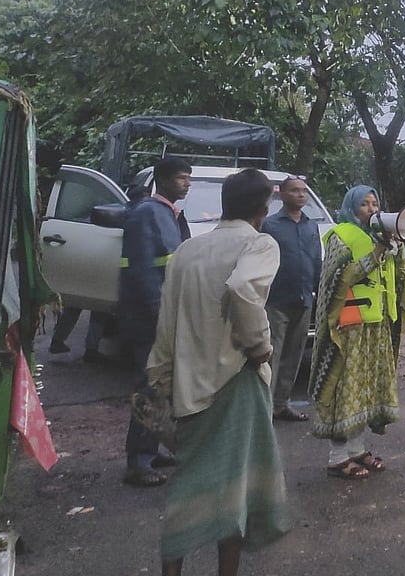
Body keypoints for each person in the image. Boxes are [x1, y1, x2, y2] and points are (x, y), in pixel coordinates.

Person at [146, 168, 288, 576]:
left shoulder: (188, 250)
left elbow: (166, 320)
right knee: (235, 494)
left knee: (186, 490)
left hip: (190, 387)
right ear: (263, 209)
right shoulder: (259, 244)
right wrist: (260, 346)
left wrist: (161, 376)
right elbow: (243, 290)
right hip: (236, 385)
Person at [308, 185, 400, 480]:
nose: (372, 209)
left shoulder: (376, 236)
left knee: (365, 390)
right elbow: (338, 277)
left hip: (374, 326)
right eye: (365, 204)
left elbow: (393, 277)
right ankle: (338, 457)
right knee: (345, 390)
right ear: (352, 207)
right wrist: (376, 254)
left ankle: (357, 448)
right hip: (348, 328)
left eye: (375, 203)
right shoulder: (341, 235)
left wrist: (395, 250)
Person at [120, 156, 192, 488]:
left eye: (187, 178)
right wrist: (159, 317)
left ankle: (152, 449)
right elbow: (142, 272)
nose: (187, 183)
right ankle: (138, 462)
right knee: (148, 388)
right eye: (181, 178)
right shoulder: (147, 213)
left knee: (161, 386)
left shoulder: (171, 215)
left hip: (165, 317)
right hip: (150, 319)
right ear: (161, 180)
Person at [262, 176, 322, 422]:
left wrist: (317, 289)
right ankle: (264, 408)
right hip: (277, 299)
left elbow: (317, 260)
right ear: (283, 195)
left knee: (294, 354)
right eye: (294, 191)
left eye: (303, 191)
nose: (300, 195)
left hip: (304, 297)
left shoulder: (311, 226)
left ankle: (281, 404)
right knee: (272, 354)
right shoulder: (270, 225)